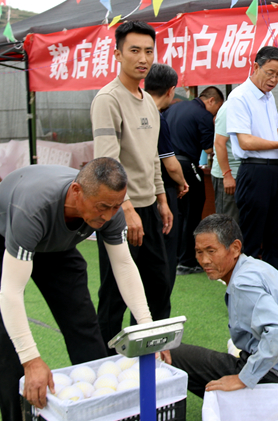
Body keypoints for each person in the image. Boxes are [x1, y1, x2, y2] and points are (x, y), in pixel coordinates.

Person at [0, 158, 154, 421]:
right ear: (76, 192)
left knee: (83, 322)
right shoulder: (33, 209)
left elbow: (124, 266)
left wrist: (147, 328)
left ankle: (101, 417)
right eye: (102, 207)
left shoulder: (109, 209)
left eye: (115, 207)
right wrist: (31, 360)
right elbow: (11, 293)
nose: (109, 215)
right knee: (9, 337)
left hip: (56, 245)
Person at [91, 20, 174, 353]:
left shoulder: (149, 102)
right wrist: (125, 208)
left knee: (159, 284)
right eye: (134, 50)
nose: (143, 58)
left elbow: (152, 156)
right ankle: (104, 360)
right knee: (115, 293)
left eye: (149, 51)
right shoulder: (108, 99)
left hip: (149, 207)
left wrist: (161, 199)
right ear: (118, 54)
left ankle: (149, 352)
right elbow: (107, 163)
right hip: (118, 211)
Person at [169, 214, 278, 395]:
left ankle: (241, 404)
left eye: (211, 251)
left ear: (235, 248)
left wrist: (243, 378)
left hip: (277, 376)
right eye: (199, 252)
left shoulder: (242, 283)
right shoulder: (254, 266)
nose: (204, 260)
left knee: (170, 354)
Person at [227, 46, 278, 271]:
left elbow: (275, 133)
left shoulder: (268, 97)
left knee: (277, 232)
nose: (274, 80)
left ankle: (272, 281)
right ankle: (242, 283)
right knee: (251, 234)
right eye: (270, 73)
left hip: (276, 170)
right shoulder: (239, 96)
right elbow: (246, 142)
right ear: (255, 67)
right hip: (254, 170)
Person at [163, 85, 225, 274]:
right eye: (217, 109)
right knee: (192, 211)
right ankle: (187, 261)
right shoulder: (203, 114)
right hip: (186, 165)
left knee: (175, 213)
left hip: (166, 164)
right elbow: (209, 148)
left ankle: (173, 257)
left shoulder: (172, 108)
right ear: (211, 100)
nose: (215, 114)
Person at [144, 63, 189, 287]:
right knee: (164, 251)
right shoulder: (156, 117)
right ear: (171, 90)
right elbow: (170, 164)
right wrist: (182, 182)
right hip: (160, 191)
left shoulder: (136, 111)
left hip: (135, 194)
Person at [211, 99, 241, 222]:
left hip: (244, 172)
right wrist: (227, 175)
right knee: (227, 222)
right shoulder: (229, 107)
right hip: (229, 174)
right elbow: (219, 143)